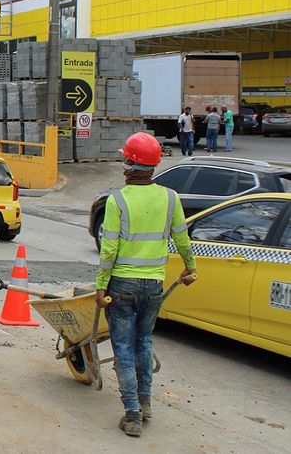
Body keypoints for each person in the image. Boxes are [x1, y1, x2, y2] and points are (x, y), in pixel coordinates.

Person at [96, 132, 197, 438]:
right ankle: (146, 403)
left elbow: (109, 249)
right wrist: (191, 268)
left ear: (128, 164)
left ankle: (132, 414)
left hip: (122, 286)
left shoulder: (117, 200)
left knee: (124, 347)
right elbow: (181, 237)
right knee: (144, 342)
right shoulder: (170, 198)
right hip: (153, 284)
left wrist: (101, 286)